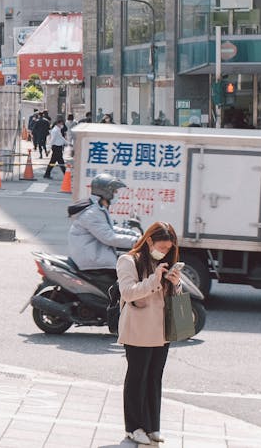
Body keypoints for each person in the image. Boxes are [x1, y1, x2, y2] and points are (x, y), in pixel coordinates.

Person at [117, 221, 183, 446]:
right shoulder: (128, 261)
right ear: (149, 241)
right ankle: (133, 427)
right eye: (162, 247)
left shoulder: (165, 263)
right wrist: (154, 279)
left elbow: (172, 296)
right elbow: (127, 292)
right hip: (138, 329)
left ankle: (152, 426)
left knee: (155, 377)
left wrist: (175, 284)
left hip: (162, 330)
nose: (164, 252)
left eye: (168, 249)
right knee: (137, 377)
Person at [67, 173, 140, 291]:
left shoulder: (98, 208)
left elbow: (109, 229)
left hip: (96, 253)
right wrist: (135, 242)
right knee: (127, 276)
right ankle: (116, 306)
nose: (116, 194)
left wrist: (135, 235)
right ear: (106, 192)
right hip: (92, 259)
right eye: (114, 191)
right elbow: (109, 237)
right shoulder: (92, 213)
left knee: (129, 262)